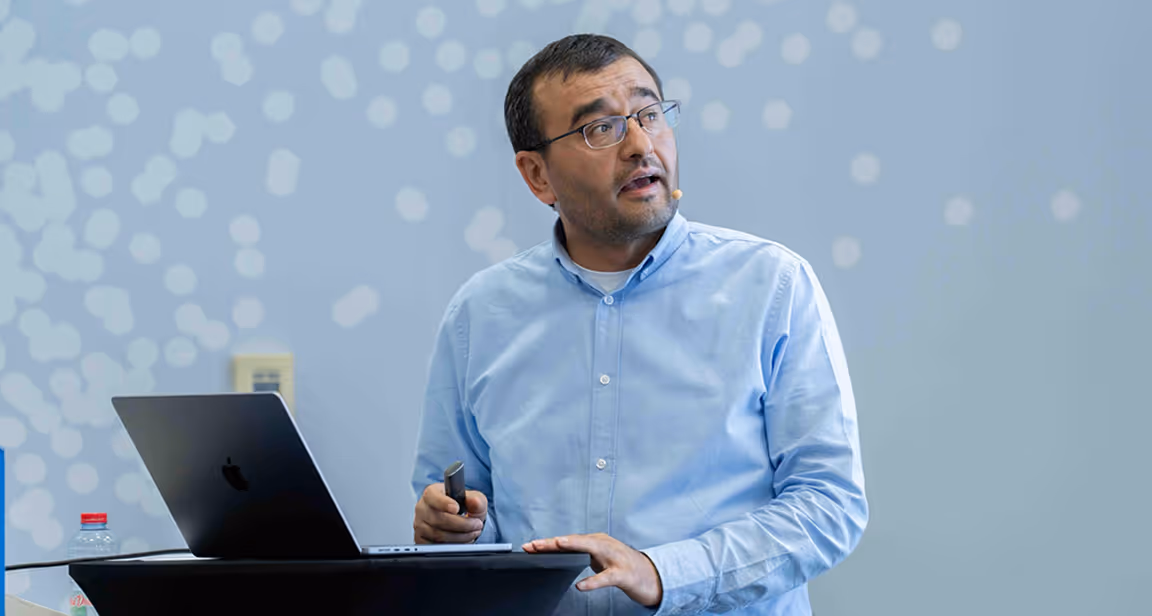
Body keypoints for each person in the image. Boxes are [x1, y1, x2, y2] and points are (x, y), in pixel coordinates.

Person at [411, 34, 867, 615]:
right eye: (599, 129)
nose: (640, 145)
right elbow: (465, 512)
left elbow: (830, 506)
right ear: (536, 175)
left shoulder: (772, 286)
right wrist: (453, 526)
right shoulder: (480, 313)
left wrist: (663, 573)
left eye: (650, 115)